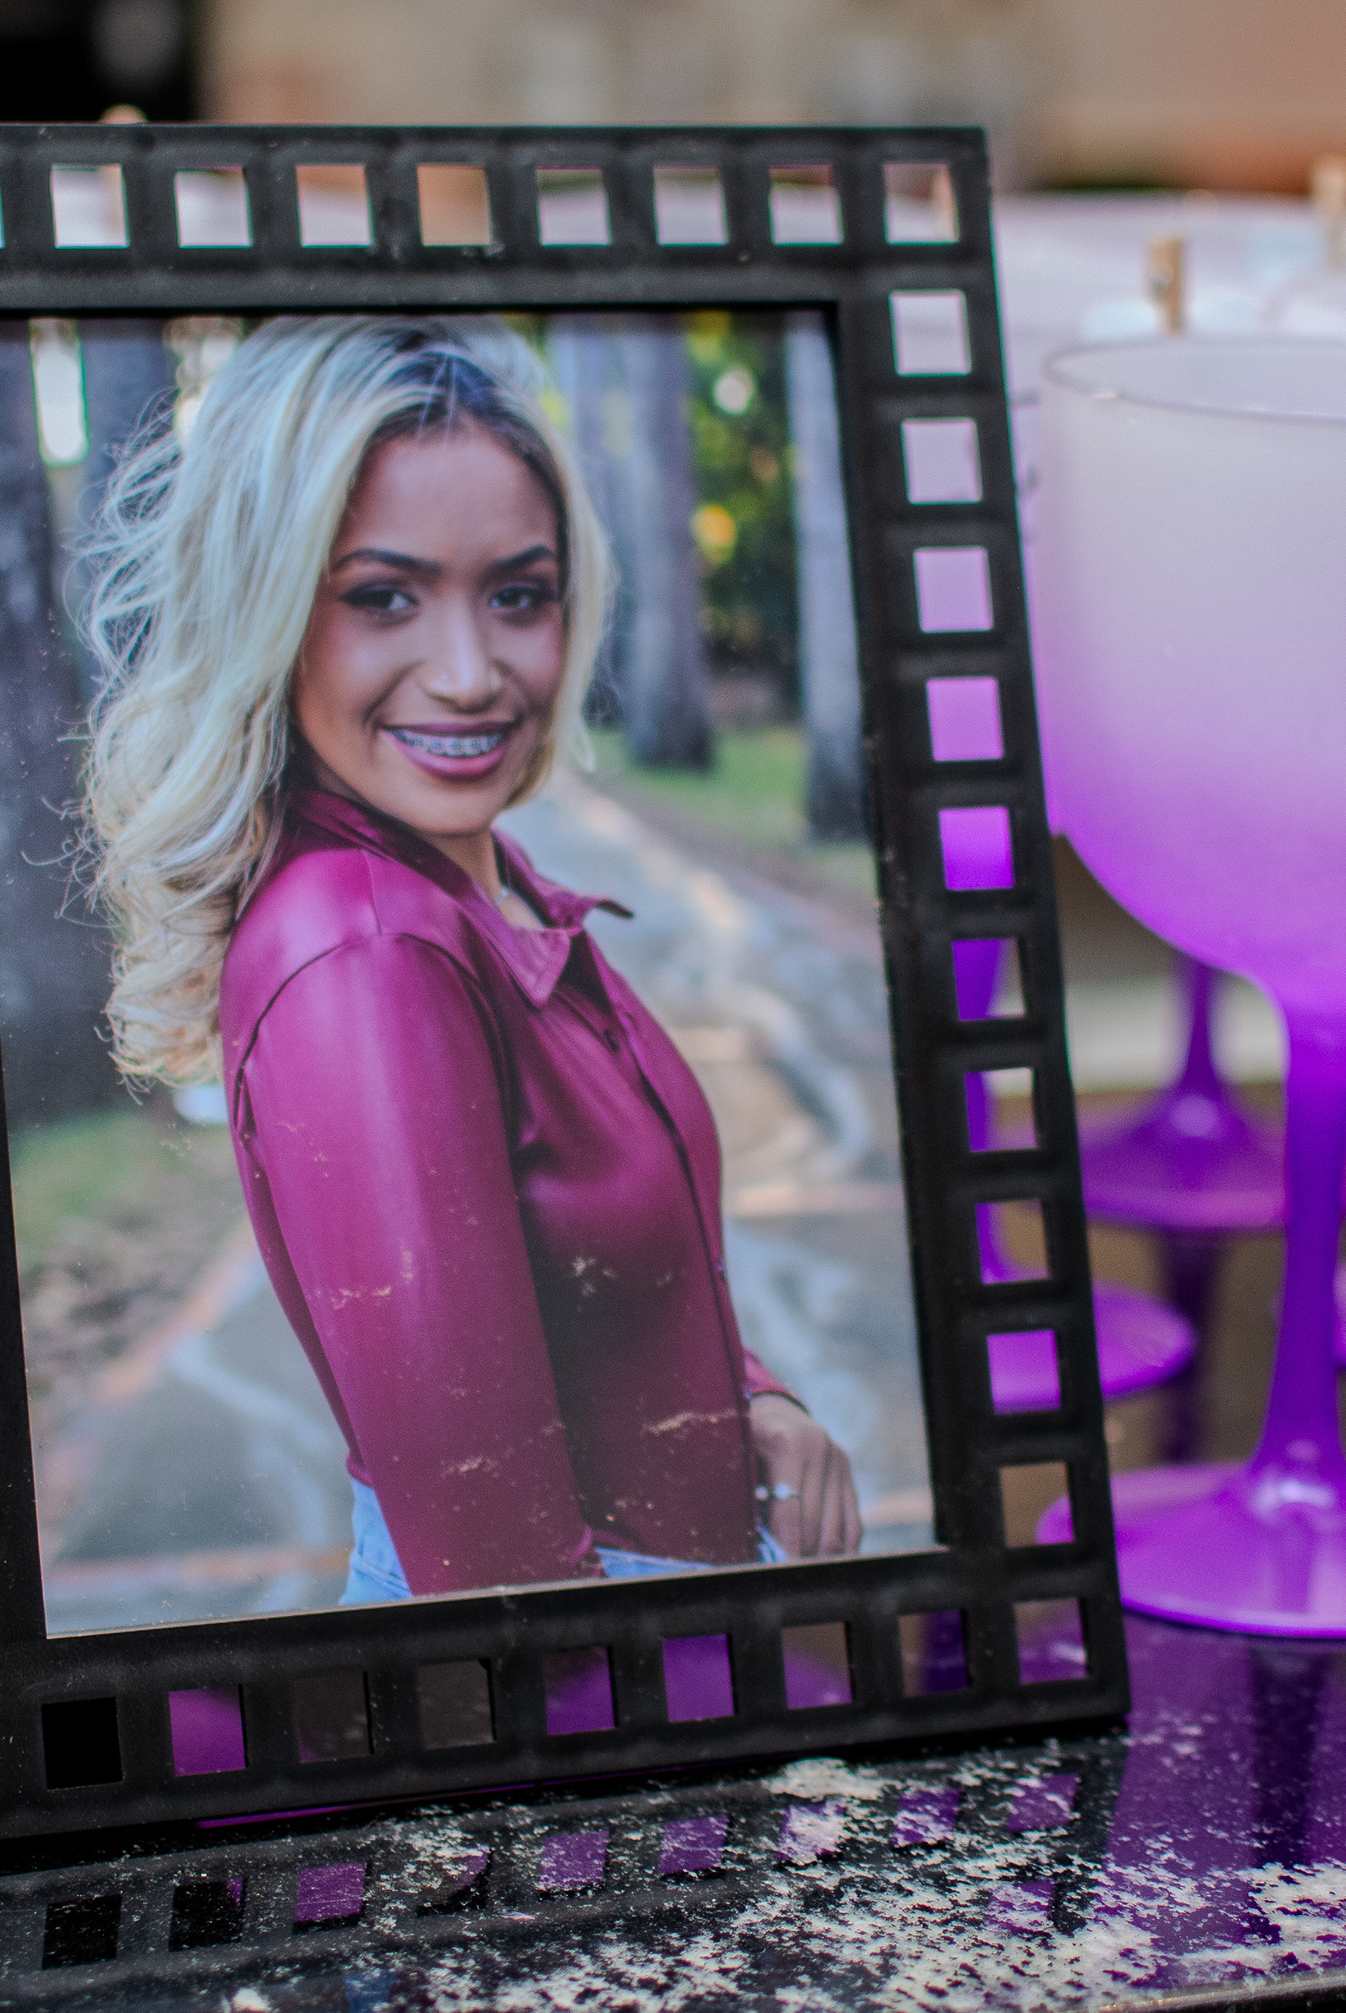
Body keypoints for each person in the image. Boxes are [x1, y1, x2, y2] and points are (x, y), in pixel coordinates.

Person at [79, 317, 863, 1603]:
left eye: (517, 595)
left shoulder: (474, 878)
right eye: (383, 597)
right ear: (271, 609)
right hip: (602, 1679)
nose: (468, 674)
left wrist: (750, 1400)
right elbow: (507, 1595)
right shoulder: (369, 950)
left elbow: (604, 1276)